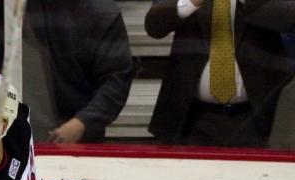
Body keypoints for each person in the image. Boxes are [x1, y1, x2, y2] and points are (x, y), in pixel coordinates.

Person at [145, 0, 295, 147]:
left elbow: (289, 17)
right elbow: (153, 26)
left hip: (258, 119)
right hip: (191, 120)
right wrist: (190, 3)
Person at [22, 0, 133, 143]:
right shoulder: (13, 7)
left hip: (78, 137)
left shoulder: (102, 11)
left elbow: (117, 79)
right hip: (18, 132)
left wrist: (82, 122)